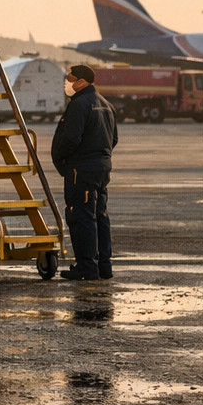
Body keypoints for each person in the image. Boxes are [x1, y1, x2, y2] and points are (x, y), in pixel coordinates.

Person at [51, 64, 118, 281]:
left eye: (69, 79)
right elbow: (113, 138)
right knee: (100, 215)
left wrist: (63, 159)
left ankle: (86, 266)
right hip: (101, 168)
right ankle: (104, 265)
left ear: (81, 82)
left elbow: (71, 139)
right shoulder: (106, 105)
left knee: (81, 216)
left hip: (82, 169)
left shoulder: (80, 105)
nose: (66, 83)